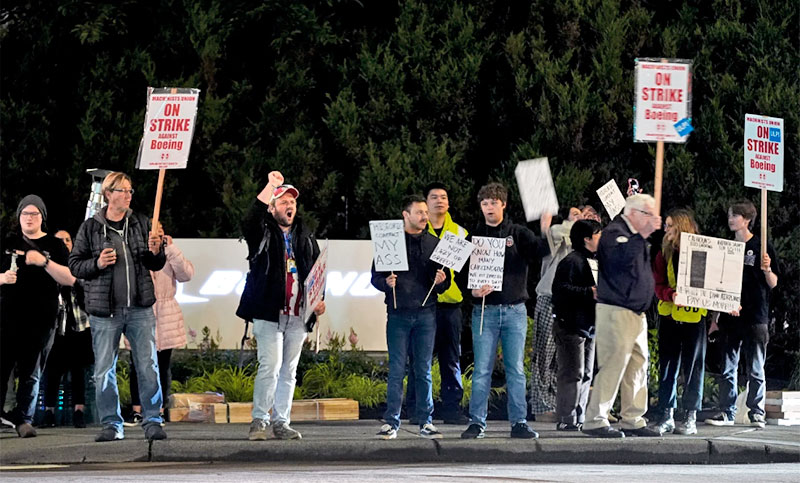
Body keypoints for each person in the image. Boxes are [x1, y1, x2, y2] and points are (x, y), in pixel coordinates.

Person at [69, 172, 167, 442]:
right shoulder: (90, 227)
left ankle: (153, 420)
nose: (128, 195)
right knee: (103, 369)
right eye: (122, 190)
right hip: (105, 312)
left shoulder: (141, 223)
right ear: (108, 194)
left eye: (130, 191)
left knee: (147, 365)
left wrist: (158, 251)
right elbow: (75, 265)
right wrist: (98, 263)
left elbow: (154, 263)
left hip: (140, 308)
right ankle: (112, 424)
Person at [237, 171, 326, 441]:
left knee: (289, 370)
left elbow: (317, 270)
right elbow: (250, 219)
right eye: (283, 201)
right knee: (270, 366)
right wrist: (269, 186)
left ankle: (282, 423)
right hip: (269, 311)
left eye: (293, 202)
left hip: (299, 314)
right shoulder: (261, 232)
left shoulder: (306, 235)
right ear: (272, 207)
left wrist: (320, 300)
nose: (290, 206)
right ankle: (259, 421)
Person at [461, 182, 551, 440]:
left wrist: (545, 228)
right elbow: (464, 273)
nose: (489, 207)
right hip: (484, 312)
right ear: (481, 207)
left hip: (514, 311)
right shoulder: (473, 236)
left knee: (516, 369)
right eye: (485, 203)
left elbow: (541, 251)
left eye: (493, 202)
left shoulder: (518, 233)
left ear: (503, 205)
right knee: (481, 370)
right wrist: (473, 292)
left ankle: (519, 422)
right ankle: (477, 422)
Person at [582, 193, 662, 438]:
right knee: (614, 363)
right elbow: (620, 259)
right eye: (648, 214)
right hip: (616, 309)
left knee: (637, 365)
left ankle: (632, 417)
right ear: (634, 213)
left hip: (636, 313)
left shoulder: (634, 237)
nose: (651, 219)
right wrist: (642, 236)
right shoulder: (613, 233)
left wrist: (644, 236)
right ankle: (595, 418)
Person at [372, 195, 450, 440]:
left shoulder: (435, 243)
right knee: (397, 369)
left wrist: (441, 283)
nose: (425, 216)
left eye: (425, 212)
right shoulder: (390, 241)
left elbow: (443, 282)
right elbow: (374, 277)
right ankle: (391, 422)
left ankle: (426, 421)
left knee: (424, 369)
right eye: (419, 212)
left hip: (426, 313)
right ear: (405, 215)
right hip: (398, 313)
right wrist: (386, 283)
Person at [0, 195, 75, 438]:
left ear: (42, 217)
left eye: (34, 213)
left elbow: (70, 278)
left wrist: (43, 262)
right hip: (7, 316)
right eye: (25, 213)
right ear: (18, 216)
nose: (29, 218)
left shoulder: (55, 246)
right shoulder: (6, 242)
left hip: (42, 318)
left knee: (31, 370)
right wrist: (1, 278)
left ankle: (24, 419)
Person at [705, 200, 779, 428]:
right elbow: (718, 284)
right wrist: (715, 318)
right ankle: (727, 411)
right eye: (730, 214)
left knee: (756, 367)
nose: (731, 219)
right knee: (728, 367)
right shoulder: (726, 248)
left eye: (735, 215)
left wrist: (767, 269)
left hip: (756, 316)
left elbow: (774, 283)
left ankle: (756, 412)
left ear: (746, 219)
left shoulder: (761, 246)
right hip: (730, 316)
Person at [405, 182, 469, 425]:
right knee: (419, 359)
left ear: (448, 203)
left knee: (451, 357)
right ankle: (415, 408)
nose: (439, 201)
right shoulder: (418, 232)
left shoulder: (460, 233)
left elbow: (466, 271)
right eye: (434, 197)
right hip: (424, 303)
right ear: (426, 203)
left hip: (451, 304)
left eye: (443, 197)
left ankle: (451, 408)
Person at [126, 221, 194, 426]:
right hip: (140, 309)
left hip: (165, 314)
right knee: (137, 364)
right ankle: (138, 410)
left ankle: (160, 409)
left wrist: (170, 249)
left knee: (162, 365)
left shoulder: (169, 252)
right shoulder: (137, 250)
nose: (157, 236)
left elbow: (186, 274)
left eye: (160, 232)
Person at [652, 209, 708, 435]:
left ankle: (690, 416)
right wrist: (669, 295)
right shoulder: (662, 254)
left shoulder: (702, 251)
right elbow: (658, 283)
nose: (666, 230)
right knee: (667, 367)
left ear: (681, 227)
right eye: (665, 225)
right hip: (669, 316)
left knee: (694, 368)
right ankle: (667, 414)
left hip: (695, 318)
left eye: (669, 225)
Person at [529, 206, 582, 421]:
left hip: (577, 300)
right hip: (550, 297)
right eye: (577, 213)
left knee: (572, 359)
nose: (581, 217)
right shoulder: (560, 232)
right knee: (545, 355)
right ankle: (543, 406)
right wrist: (550, 224)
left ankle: (569, 405)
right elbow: (557, 233)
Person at [551, 219, 601, 431]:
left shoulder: (595, 260)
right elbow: (560, 290)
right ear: (587, 238)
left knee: (585, 373)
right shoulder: (572, 261)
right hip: (571, 326)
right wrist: (589, 292)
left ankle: (578, 416)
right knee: (573, 373)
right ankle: (567, 417)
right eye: (599, 234)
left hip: (589, 326)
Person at [42, 230, 93, 429]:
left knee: (78, 370)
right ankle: (49, 411)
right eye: (60, 240)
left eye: (67, 240)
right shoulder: (49, 265)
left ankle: (78, 411)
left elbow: (86, 288)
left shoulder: (79, 263)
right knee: (52, 371)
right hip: (56, 325)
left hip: (79, 323)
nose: (64, 243)